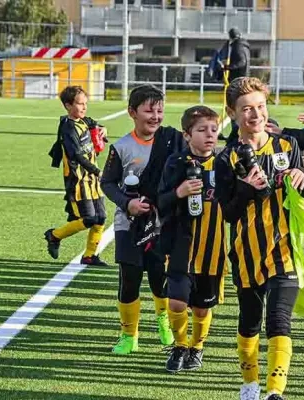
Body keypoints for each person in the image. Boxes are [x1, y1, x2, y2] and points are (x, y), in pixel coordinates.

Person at [214, 77, 304, 400]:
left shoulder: (287, 146)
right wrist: (247, 188)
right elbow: (228, 213)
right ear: (232, 113)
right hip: (246, 253)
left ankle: (275, 391)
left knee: (279, 318)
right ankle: (250, 383)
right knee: (250, 321)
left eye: (260, 106)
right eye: (246, 109)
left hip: (284, 248)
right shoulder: (225, 158)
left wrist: (302, 177)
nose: (255, 115)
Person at [100, 84, 185, 354]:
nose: (155, 116)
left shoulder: (172, 140)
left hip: (163, 224)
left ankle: (164, 324)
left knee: (160, 277)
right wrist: (128, 203)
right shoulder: (121, 146)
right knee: (130, 277)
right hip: (129, 225)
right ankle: (129, 335)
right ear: (132, 113)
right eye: (149, 110)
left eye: (159, 110)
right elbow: (107, 183)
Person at [157, 106, 227, 373]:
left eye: (213, 129)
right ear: (187, 135)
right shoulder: (176, 163)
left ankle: (197, 347)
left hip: (213, 247)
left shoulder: (224, 163)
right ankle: (180, 345)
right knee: (176, 300)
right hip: (181, 244)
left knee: (200, 308)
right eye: (201, 130)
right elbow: (160, 201)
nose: (210, 135)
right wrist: (179, 191)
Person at [45, 86, 108, 266]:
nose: (84, 108)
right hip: (78, 181)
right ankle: (54, 235)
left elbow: (92, 122)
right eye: (80, 104)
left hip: (92, 180)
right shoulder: (68, 127)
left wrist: (102, 129)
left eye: (85, 104)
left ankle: (89, 256)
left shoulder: (83, 121)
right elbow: (76, 155)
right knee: (88, 219)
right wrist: (98, 171)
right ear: (67, 105)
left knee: (101, 218)